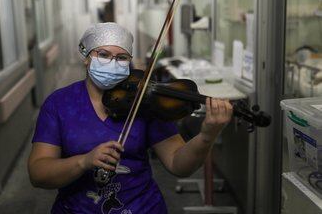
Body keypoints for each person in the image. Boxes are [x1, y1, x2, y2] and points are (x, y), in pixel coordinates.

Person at [28, 22, 233, 214]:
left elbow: (178, 164)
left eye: (121, 57)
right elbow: (38, 173)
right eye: (103, 54)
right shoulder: (60, 104)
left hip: (142, 208)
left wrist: (206, 136)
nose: (112, 63)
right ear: (86, 56)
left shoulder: (144, 101)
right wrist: (83, 161)